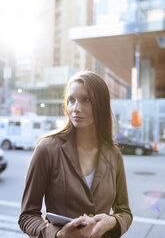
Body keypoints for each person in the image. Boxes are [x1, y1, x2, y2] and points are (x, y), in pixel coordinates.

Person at [18, 71, 133, 238]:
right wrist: (58, 234)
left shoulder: (114, 154)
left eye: (85, 100)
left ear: (101, 104)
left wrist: (113, 221)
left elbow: (125, 212)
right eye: (71, 100)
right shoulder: (48, 149)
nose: (75, 108)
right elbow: (27, 216)